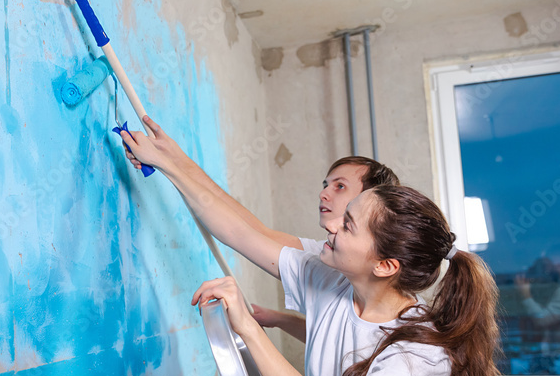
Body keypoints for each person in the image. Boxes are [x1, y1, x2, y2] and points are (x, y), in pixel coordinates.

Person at [120, 117, 525, 376]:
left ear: (385, 266)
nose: (330, 225)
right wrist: (173, 162)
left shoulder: (419, 355)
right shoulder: (334, 276)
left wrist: (249, 329)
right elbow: (244, 231)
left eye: (347, 224)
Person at [121, 123, 399, 341]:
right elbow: (251, 229)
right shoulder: (324, 256)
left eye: (339, 186)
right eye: (326, 183)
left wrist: (168, 166)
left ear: (372, 202)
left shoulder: (393, 319)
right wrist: (176, 159)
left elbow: (239, 232)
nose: (323, 192)